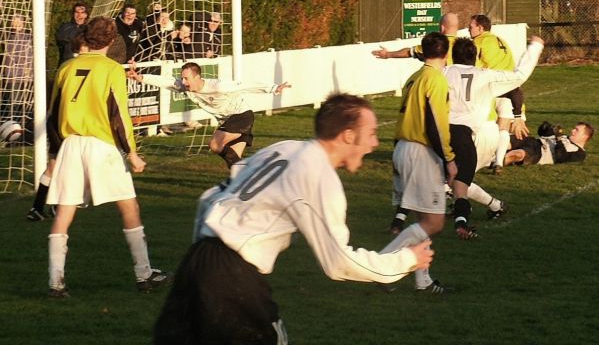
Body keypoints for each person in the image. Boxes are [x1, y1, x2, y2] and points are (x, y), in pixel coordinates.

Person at [152, 93, 435, 344]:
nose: (374, 143)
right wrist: (406, 260)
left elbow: (210, 197)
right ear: (348, 135)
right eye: (371, 133)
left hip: (196, 262)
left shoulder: (282, 148)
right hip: (233, 278)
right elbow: (338, 263)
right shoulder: (319, 176)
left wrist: (200, 262)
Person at [44, 16, 170, 298]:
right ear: (112, 41)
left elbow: (53, 116)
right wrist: (133, 154)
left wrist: (54, 154)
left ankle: (55, 281)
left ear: (86, 37)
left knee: (64, 212)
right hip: (101, 145)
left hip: (71, 145)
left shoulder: (67, 67)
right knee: (129, 207)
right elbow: (119, 115)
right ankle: (144, 273)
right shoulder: (112, 70)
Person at [443, 35, 544, 233]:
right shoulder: (485, 75)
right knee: (455, 180)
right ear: (476, 55)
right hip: (485, 132)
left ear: (453, 56)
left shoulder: (444, 73)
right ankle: (492, 206)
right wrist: (535, 48)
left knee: (454, 180)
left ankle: (465, 212)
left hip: (467, 135)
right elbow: (519, 76)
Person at [381, 32, 456, 294]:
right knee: (434, 222)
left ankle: (422, 279)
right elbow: (435, 123)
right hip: (420, 151)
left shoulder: (414, 78)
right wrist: (449, 159)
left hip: (402, 147)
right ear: (446, 54)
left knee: (422, 219)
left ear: (423, 52)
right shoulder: (435, 79)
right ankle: (382, 267)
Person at [127, 62, 291, 170]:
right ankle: (248, 176)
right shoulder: (184, 87)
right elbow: (165, 81)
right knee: (235, 165)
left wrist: (273, 88)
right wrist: (141, 77)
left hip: (241, 115)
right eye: (182, 78)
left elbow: (245, 86)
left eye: (186, 78)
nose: (183, 82)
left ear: (197, 77)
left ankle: (249, 172)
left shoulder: (218, 86)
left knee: (214, 144)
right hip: (227, 120)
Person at [26, 33, 90, 222]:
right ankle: (55, 205)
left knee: (55, 165)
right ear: (81, 48)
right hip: (63, 122)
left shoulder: (67, 67)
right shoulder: (78, 67)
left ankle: (38, 208)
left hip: (55, 120)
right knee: (65, 165)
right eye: (87, 46)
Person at [469, 14, 527, 174]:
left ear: (480, 28)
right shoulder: (501, 41)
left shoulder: (478, 42)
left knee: (481, 125)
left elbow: (474, 65)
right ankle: (498, 163)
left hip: (490, 88)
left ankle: (473, 160)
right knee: (503, 127)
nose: (469, 29)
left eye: (471, 26)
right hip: (509, 88)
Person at [372, 12, 459, 65]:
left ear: (442, 28)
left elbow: (409, 52)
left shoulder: (436, 45)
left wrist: (387, 54)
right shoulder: (465, 46)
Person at [504, 121, 594, 166]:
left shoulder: (580, 153)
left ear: (584, 136)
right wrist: (547, 128)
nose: (572, 131)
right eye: (574, 128)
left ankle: (495, 163)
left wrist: (558, 138)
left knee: (517, 154)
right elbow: (543, 134)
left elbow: (561, 158)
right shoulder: (565, 137)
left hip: (538, 152)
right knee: (504, 139)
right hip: (533, 140)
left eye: (577, 130)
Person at [0, 14, 33, 125]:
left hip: (28, 77)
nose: (17, 24)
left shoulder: (30, 37)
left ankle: (27, 130)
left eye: (19, 21)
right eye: (14, 21)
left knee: (27, 106)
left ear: (24, 23)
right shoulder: (7, 36)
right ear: (10, 23)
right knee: (13, 106)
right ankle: (11, 131)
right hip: (13, 77)